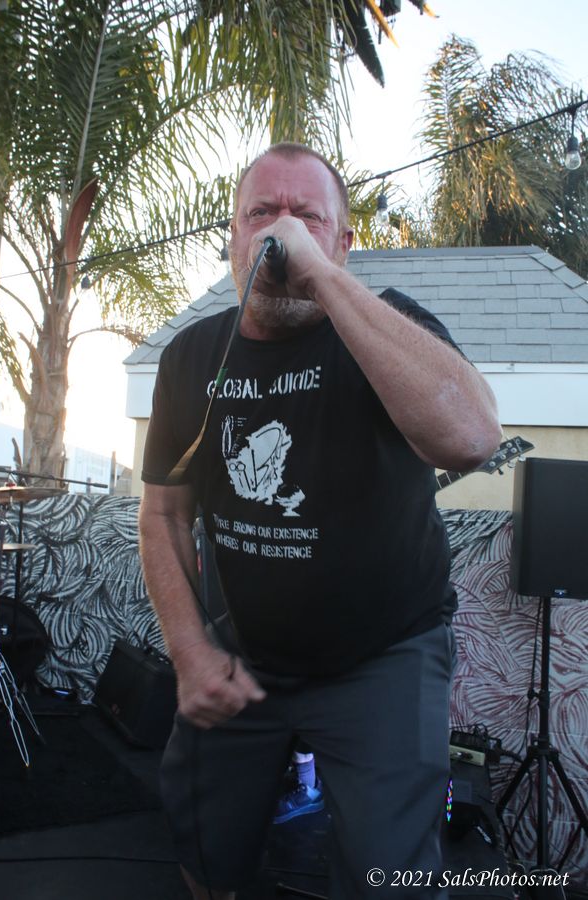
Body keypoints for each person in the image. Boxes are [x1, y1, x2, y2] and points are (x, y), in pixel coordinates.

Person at [139, 142, 501, 899]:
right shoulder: (191, 358)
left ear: (342, 242)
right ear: (232, 238)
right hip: (242, 656)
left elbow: (470, 438)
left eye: (306, 216)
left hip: (384, 654)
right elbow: (164, 513)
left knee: (390, 877)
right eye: (261, 213)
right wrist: (189, 650)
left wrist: (325, 282)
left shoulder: (388, 325)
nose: (281, 230)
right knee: (205, 847)